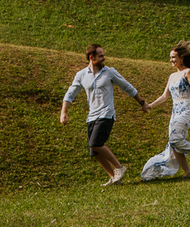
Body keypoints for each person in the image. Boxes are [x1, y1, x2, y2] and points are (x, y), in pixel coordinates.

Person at [60, 44, 149, 186]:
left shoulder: (110, 72)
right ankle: (114, 178)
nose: (104, 58)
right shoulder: (81, 75)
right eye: (100, 56)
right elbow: (71, 93)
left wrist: (142, 103)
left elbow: (127, 87)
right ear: (91, 57)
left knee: (95, 143)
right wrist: (64, 112)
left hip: (106, 114)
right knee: (94, 152)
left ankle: (119, 167)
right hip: (92, 117)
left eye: (103, 55)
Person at [140, 41, 190, 181]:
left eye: (174, 57)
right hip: (175, 111)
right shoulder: (172, 76)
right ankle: (188, 172)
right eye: (170, 57)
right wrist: (150, 105)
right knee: (173, 144)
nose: (171, 60)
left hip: (186, 109)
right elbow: (165, 96)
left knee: (175, 139)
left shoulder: (188, 72)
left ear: (181, 58)